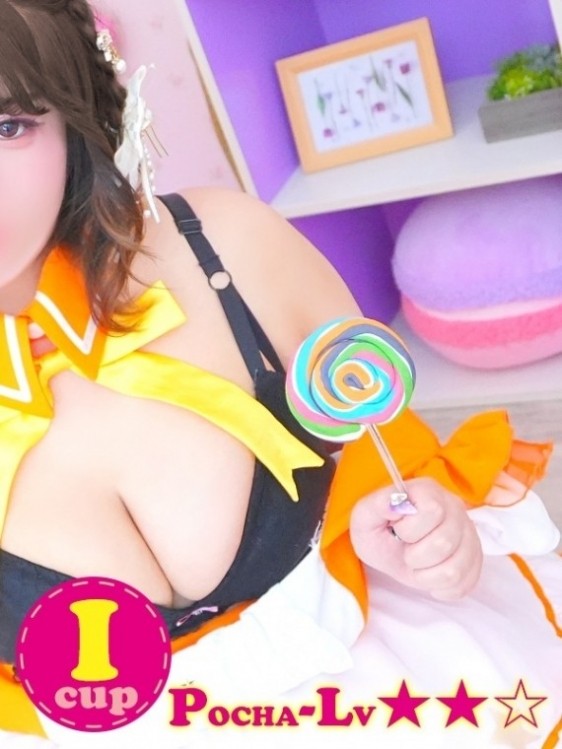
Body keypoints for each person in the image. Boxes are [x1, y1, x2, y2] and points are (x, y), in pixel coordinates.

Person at [0, 1, 560, 747]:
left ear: (75, 114)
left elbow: (388, 457)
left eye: (8, 126)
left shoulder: (221, 245)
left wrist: (427, 535)